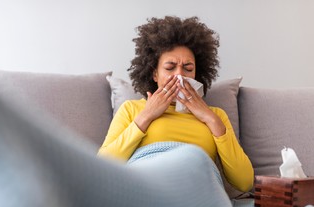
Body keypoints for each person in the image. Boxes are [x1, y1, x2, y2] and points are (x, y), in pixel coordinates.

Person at [98, 16, 254, 192]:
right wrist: (146, 116)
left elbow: (245, 181)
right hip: (148, 189)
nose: (180, 75)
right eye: (170, 67)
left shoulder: (216, 116)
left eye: (188, 69)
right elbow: (102, 168)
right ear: (155, 74)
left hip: (197, 191)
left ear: (197, 74)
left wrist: (210, 119)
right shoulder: (132, 109)